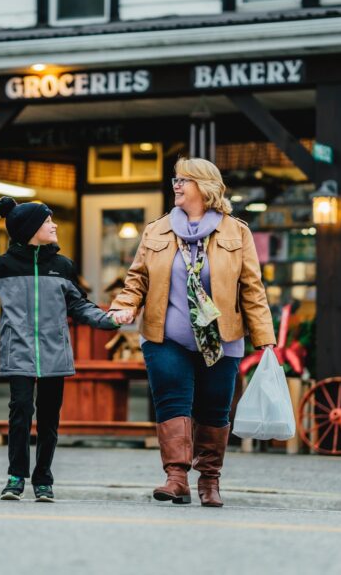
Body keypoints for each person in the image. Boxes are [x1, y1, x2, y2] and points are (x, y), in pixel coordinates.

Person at [109, 158, 275, 507]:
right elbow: (137, 278)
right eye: (175, 179)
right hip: (166, 336)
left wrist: (265, 339)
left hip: (223, 336)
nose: (176, 185)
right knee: (172, 402)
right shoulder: (157, 229)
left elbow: (252, 288)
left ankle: (210, 481)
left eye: (184, 180)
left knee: (214, 409)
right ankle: (176, 478)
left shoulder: (236, 231)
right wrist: (124, 305)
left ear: (205, 186)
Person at [0, 196, 118, 502]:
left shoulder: (62, 266)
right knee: (20, 414)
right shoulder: (5, 266)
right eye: (48, 221)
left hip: (54, 354)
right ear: (31, 229)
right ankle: (16, 477)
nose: (54, 225)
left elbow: (81, 306)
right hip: (17, 352)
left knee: (49, 419)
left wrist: (110, 320)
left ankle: (43, 479)